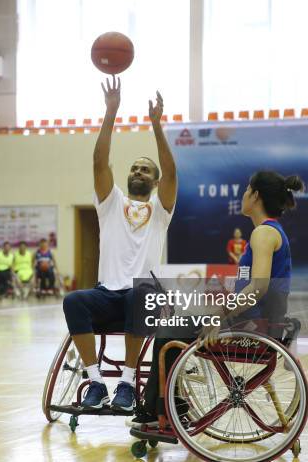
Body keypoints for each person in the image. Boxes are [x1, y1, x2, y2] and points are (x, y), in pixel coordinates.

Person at [133, 171, 303, 427]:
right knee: (178, 322)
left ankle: (163, 412)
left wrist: (220, 314)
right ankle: (171, 405)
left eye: (247, 190)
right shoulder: (267, 233)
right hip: (256, 323)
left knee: (168, 332)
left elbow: (258, 289)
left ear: (256, 195)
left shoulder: (264, 234)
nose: (244, 194)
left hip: (253, 329)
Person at [62, 76, 177, 412]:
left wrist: (157, 126)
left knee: (140, 293)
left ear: (155, 183)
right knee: (73, 301)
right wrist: (111, 111)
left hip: (140, 296)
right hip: (106, 294)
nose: (138, 171)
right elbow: (99, 162)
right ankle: (95, 381)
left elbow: (172, 173)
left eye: (145, 170)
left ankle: (127, 384)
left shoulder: (160, 210)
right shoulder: (110, 202)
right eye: (134, 168)